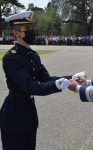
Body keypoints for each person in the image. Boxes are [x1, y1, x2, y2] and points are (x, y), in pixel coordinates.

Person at [0, 11, 72, 150]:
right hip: (14, 117)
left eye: (31, 27)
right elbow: (31, 87)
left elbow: (46, 79)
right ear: (16, 33)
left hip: (29, 115)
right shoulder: (11, 58)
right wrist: (61, 84)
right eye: (27, 28)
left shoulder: (33, 55)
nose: (31, 31)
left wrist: (71, 78)